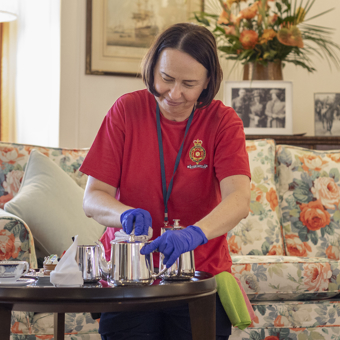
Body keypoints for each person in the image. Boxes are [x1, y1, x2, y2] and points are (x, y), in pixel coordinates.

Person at [80, 23, 251, 340]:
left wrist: (194, 234)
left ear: (208, 82)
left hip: (200, 274)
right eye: (166, 79)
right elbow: (93, 197)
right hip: (131, 274)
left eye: (189, 83)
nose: (175, 94)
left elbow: (239, 200)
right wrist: (124, 215)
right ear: (152, 69)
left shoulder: (222, 122)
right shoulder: (126, 110)